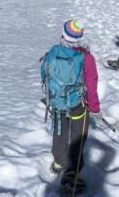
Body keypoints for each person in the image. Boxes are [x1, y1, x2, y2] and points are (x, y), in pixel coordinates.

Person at [41, 19, 102, 192]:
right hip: (77, 103)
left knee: (59, 132)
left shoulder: (53, 52)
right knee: (78, 137)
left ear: (63, 33)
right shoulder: (86, 57)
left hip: (58, 102)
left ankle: (59, 163)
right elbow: (91, 85)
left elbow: (44, 75)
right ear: (80, 37)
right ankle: (71, 174)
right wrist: (95, 108)